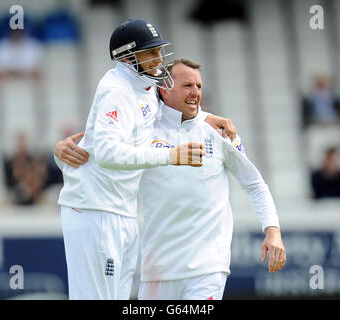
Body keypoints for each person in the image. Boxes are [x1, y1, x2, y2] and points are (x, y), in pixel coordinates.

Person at [55, 59, 286, 300]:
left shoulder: (220, 134)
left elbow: (255, 184)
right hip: (156, 272)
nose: (196, 92)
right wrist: (59, 153)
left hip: (207, 269)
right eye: (187, 85)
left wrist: (272, 231)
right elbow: (102, 153)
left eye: (198, 86)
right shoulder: (143, 129)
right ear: (164, 89)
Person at [54, 19, 235, 300]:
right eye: (150, 53)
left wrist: (205, 117)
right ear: (127, 57)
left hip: (122, 211)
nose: (158, 59)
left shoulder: (147, 87)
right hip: (94, 208)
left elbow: (171, 108)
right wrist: (169, 155)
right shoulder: (116, 91)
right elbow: (107, 153)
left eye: (159, 51)